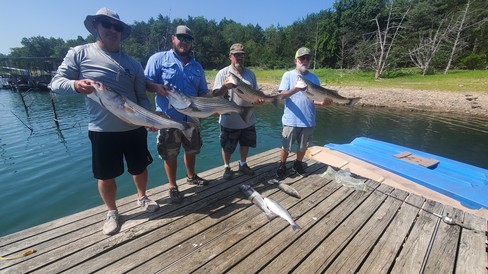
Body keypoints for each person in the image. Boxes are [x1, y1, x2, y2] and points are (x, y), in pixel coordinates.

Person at [50, 8, 159, 235]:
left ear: (121, 32)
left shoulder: (134, 64)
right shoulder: (79, 53)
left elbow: (141, 96)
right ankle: (112, 211)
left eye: (117, 27)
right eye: (106, 24)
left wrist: (148, 117)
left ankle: (143, 197)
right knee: (105, 175)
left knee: (140, 168)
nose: (112, 30)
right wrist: (75, 85)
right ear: (96, 26)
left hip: (134, 126)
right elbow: (56, 83)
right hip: (102, 129)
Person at [145, 25, 209, 204]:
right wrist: (156, 87)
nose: (184, 42)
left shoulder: (197, 66)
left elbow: (203, 91)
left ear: (191, 44)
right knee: (170, 153)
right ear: (173, 38)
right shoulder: (158, 59)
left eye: (188, 39)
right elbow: (145, 83)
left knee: (192, 150)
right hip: (167, 119)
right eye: (181, 37)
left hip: (192, 118)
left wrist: (204, 106)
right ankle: (173, 186)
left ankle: (191, 176)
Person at [276, 47, 333, 180]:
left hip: (308, 120)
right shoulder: (288, 75)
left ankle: (297, 164)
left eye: (307, 58)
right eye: (302, 58)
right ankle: (282, 165)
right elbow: (282, 95)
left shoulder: (314, 78)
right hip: (291, 120)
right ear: (296, 60)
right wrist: (296, 89)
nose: (305, 61)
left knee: (303, 147)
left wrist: (322, 103)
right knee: (286, 146)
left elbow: (314, 99)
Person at [212, 43, 264, 180]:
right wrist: (225, 86)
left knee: (245, 143)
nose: (239, 58)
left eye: (242, 55)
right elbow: (216, 95)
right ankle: (227, 167)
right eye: (236, 55)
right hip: (229, 120)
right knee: (227, 146)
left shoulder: (250, 74)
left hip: (248, 118)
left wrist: (258, 100)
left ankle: (243, 164)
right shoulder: (223, 73)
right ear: (230, 57)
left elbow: (255, 94)